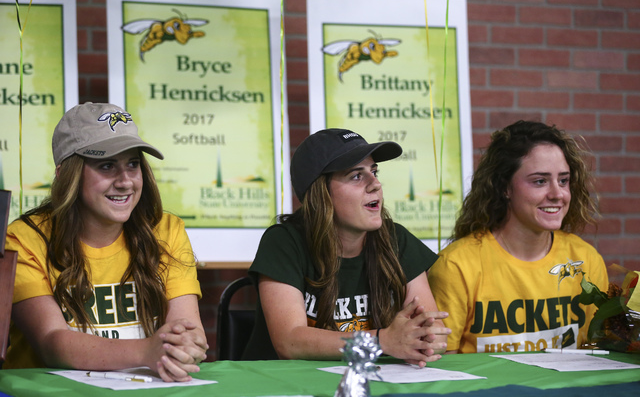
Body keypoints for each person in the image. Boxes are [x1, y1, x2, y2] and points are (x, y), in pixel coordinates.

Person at [4, 102, 208, 382]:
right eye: (107, 165)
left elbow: (187, 330)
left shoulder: (166, 230)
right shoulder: (25, 238)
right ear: (67, 174)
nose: (125, 181)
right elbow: (52, 342)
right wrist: (146, 351)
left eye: (133, 164)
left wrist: (186, 348)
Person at [242, 128, 450, 365]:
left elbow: (433, 330)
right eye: (356, 176)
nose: (376, 184)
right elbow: (290, 342)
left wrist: (425, 339)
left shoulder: (396, 239)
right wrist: (381, 342)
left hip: (371, 381)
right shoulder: (284, 241)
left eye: (374, 172)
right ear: (321, 193)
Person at [429, 120, 608, 354]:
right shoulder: (456, 266)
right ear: (505, 187)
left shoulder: (586, 259)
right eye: (540, 181)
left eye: (563, 180)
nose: (557, 194)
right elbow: (442, 369)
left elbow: (600, 355)